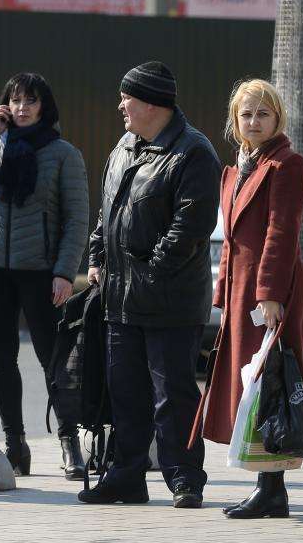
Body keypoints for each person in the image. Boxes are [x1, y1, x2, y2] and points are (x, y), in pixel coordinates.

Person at [79, 61, 220, 509]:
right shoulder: (123, 147)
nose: (120, 106)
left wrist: (151, 273)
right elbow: (107, 212)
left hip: (169, 301)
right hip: (120, 299)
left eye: (127, 99)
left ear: (153, 104)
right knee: (125, 394)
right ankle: (126, 477)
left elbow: (189, 227)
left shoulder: (192, 152)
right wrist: (97, 258)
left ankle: (185, 479)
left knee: (173, 396)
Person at [0, 73, 89, 480]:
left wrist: (64, 272)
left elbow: (77, 219)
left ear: (45, 107)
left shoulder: (63, 154)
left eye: (30, 100)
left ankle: (69, 441)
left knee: (53, 359)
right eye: (15, 100)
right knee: (1, 357)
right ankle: (15, 445)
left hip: (41, 271)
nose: (22, 108)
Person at [201, 78, 303, 520]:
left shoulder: (287, 164)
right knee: (251, 387)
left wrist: (269, 294)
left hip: (269, 291)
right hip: (241, 291)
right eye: (246, 114)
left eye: (263, 113)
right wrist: (223, 292)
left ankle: (271, 488)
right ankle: (268, 488)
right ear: (235, 121)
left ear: (277, 117)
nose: (254, 121)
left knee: (270, 384)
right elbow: (230, 239)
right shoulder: (238, 168)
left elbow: (282, 232)